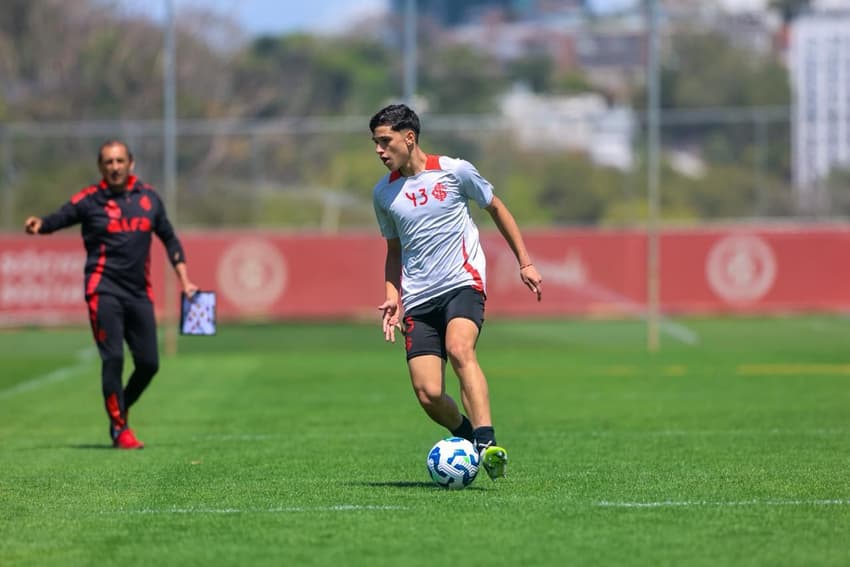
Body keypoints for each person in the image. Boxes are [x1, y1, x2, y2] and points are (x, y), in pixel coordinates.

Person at [370, 104, 543, 480]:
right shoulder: (383, 193)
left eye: (385, 141)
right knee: (428, 393)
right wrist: (392, 296)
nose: (379, 150)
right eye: (375, 143)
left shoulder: (455, 171)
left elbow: (496, 208)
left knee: (460, 348)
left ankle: (487, 445)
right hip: (418, 297)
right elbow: (393, 250)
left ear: (409, 138)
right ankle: (465, 436)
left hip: (462, 283)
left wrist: (525, 262)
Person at [24, 140, 198, 449]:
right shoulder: (90, 200)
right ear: (101, 167)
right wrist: (41, 224)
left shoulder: (149, 199)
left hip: (138, 293)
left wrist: (185, 280)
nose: (115, 167)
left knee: (149, 364)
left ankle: (121, 406)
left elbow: (169, 238)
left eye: (119, 161)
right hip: (103, 290)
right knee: (113, 357)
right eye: (108, 162)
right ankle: (120, 429)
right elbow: (60, 217)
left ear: (131, 163)